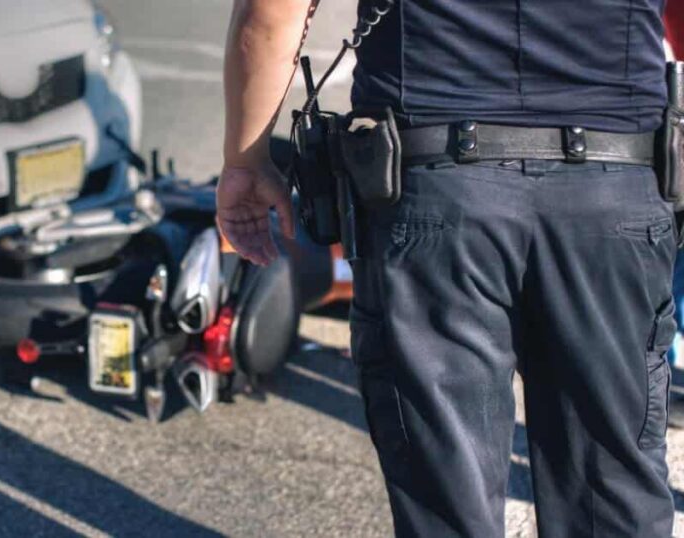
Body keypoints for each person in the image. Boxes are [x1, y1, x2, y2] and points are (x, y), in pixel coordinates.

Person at [218, 0, 677, 536]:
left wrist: (245, 162)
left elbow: (272, 11)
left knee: (444, 487)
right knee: (612, 490)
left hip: (438, 191)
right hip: (614, 187)